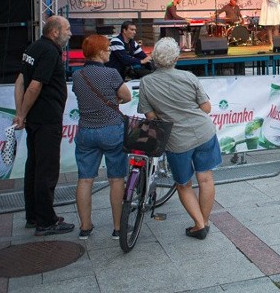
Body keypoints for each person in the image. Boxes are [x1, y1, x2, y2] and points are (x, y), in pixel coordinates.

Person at [138, 37, 222, 239]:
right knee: (206, 178)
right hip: (203, 132)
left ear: (155, 59)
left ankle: (199, 224)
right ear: (176, 57)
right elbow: (206, 108)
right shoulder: (189, 77)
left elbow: (149, 116)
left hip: (176, 140)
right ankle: (205, 221)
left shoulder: (146, 82)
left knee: (184, 183)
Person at [12, 15, 75, 236]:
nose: (70, 33)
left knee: (35, 166)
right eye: (67, 29)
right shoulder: (49, 51)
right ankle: (46, 221)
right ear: (55, 32)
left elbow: (20, 81)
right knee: (46, 171)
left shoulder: (33, 47)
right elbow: (33, 86)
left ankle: (33, 215)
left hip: (35, 118)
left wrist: (21, 113)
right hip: (46, 118)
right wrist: (22, 113)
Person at [72, 34, 132, 240]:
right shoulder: (112, 74)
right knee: (116, 179)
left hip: (86, 131)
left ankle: (85, 227)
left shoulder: (78, 75)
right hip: (111, 130)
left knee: (85, 179)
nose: (109, 52)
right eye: (107, 49)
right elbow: (127, 96)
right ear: (98, 52)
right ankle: (117, 228)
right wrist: (113, 100)